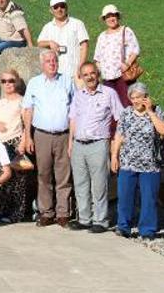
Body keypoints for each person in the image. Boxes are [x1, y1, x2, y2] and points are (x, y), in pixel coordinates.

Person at [67, 62, 123, 233]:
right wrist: (70, 142)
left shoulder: (109, 93)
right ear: (81, 77)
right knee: (80, 183)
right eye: (85, 74)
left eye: (92, 73)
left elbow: (120, 118)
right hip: (78, 144)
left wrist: (115, 144)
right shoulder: (78, 95)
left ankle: (101, 220)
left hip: (98, 144)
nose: (89, 77)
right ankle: (84, 219)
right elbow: (73, 119)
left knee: (99, 185)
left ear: (97, 74)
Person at [22, 50, 75, 227]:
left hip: (63, 134)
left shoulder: (67, 81)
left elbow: (74, 111)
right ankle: (46, 212)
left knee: (63, 176)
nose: (52, 63)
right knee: (43, 174)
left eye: (54, 60)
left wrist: (72, 139)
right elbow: (28, 110)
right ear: (42, 64)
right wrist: (28, 136)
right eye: (48, 61)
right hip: (42, 135)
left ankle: (63, 213)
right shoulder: (34, 83)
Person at [111, 82, 164, 240]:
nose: (136, 101)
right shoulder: (126, 113)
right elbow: (119, 135)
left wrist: (150, 112)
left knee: (149, 198)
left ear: (146, 97)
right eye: (133, 98)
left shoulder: (156, 111)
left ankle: (147, 230)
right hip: (128, 161)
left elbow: (163, 130)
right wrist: (114, 156)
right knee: (125, 196)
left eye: (139, 97)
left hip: (150, 163)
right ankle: (123, 227)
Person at [0, 69, 35, 223]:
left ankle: (17, 213)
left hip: (14, 143)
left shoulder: (23, 101)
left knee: (17, 181)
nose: (7, 84)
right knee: (2, 180)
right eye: (4, 81)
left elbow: (26, 124)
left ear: (17, 81)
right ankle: (1, 211)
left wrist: (23, 143)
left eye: (11, 80)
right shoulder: (0, 101)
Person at [93, 4, 141, 107]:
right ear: (104, 19)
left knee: (126, 103)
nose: (111, 18)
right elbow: (97, 58)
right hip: (107, 78)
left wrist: (127, 64)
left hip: (122, 76)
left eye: (113, 15)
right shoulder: (102, 36)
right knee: (111, 106)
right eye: (108, 16)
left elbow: (135, 50)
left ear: (117, 16)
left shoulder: (126, 31)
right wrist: (100, 71)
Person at [37, 0, 89, 84]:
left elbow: (84, 45)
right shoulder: (48, 27)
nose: (59, 9)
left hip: (75, 73)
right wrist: (49, 43)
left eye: (62, 6)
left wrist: (81, 66)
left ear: (66, 7)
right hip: (56, 74)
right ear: (51, 10)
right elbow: (39, 43)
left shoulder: (77, 24)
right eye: (56, 7)